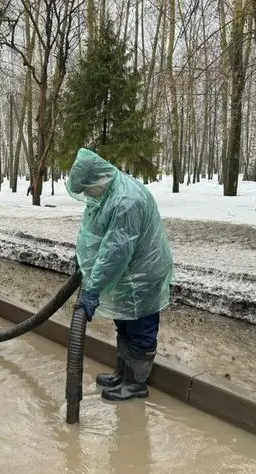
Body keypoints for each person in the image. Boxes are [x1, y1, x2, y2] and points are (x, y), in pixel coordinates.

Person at [65, 148, 174, 401]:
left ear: (97, 179)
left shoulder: (126, 201)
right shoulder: (105, 195)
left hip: (143, 276)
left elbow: (115, 251)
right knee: (124, 323)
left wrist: (92, 289)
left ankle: (135, 383)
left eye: (87, 188)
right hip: (127, 275)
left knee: (140, 328)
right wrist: (82, 260)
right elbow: (93, 236)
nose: (86, 194)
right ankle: (123, 374)